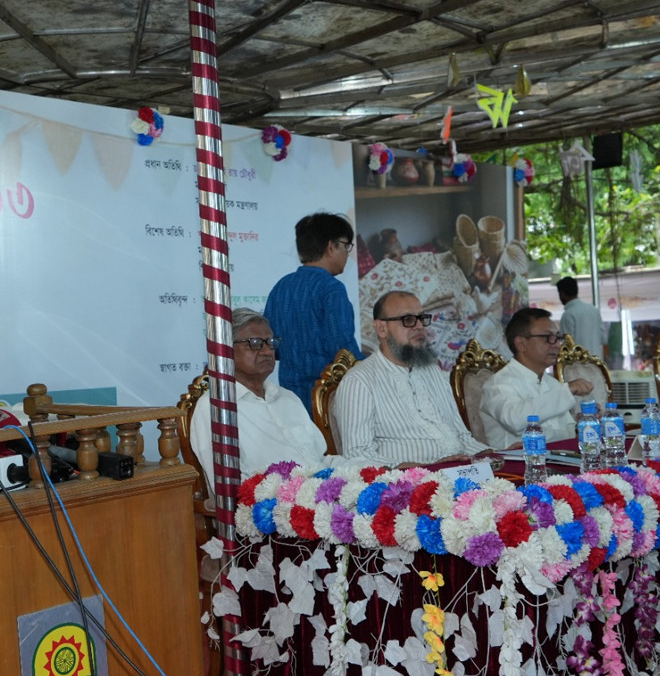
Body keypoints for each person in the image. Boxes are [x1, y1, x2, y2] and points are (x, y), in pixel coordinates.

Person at [333, 291, 490, 467]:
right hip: (408, 485)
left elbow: (462, 437)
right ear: (381, 329)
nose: (419, 326)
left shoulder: (432, 371)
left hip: (460, 473)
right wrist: (422, 468)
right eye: (408, 320)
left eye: (422, 318)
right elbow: (357, 455)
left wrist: (496, 455)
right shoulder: (359, 382)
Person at [189, 309, 329, 496]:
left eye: (271, 343)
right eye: (255, 343)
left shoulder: (288, 399)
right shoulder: (216, 408)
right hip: (273, 512)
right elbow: (232, 490)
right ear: (226, 351)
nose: (267, 351)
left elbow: (321, 460)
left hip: (323, 495)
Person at [264, 212, 364, 411]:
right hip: (328, 400)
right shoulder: (332, 289)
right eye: (346, 246)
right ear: (330, 247)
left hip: (290, 400)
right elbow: (344, 353)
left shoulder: (281, 286)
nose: (347, 253)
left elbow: (272, 347)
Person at [479, 307, 593, 449]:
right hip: (517, 465)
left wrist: (582, 424)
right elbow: (516, 420)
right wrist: (567, 391)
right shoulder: (498, 384)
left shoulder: (551, 383)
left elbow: (561, 433)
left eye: (557, 337)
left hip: (557, 460)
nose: (557, 345)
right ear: (521, 344)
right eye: (548, 338)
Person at [556, 277, 605, 358]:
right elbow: (603, 339)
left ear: (562, 294)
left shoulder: (568, 314)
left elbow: (568, 346)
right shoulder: (594, 310)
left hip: (578, 365)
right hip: (597, 364)